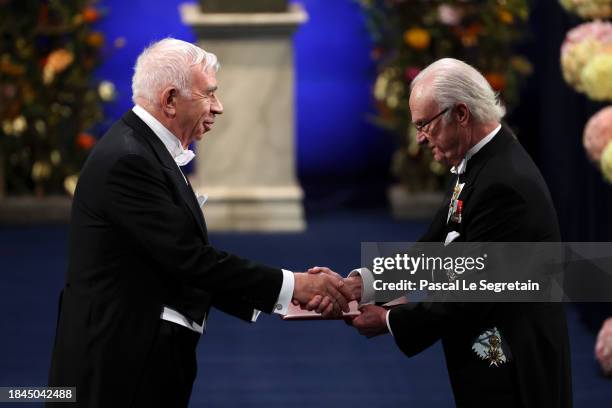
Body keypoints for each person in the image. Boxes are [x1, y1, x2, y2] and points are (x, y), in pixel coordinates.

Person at [47, 38, 352, 408]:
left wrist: (293, 297)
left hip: (134, 357)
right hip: (117, 367)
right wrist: (293, 287)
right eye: (209, 94)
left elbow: (179, 262)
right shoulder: (129, 161)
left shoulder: (142, 150)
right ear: (170, 99)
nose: (219, 107)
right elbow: (189, 260)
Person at [319, 58, 572, 407]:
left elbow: (472, 292)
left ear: (462, 114)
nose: (420, 139)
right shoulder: (480, 160)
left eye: (425, 125)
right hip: (490, 357)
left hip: (514, 372)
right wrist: (365, 284)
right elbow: (436, 246)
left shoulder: (505, 182)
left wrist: (391, 320)